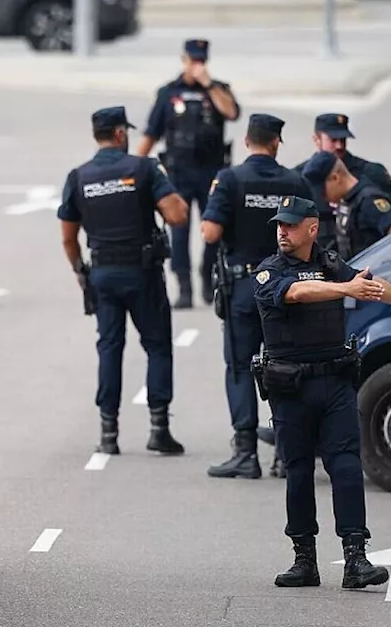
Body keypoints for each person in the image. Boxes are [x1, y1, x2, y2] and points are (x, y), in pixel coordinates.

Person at [251, 196, 391, 589]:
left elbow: (367, 285)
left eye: (289, 225)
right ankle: (305, 559)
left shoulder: (330, 263)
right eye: (279, 225)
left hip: (335, 383)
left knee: (346, 467)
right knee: (300, 472)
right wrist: (344, 288)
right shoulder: (269, 272)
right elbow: (297, 295)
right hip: (291, 388)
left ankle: (356, 558)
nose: (282, 231)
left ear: (312, 228)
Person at [58, 106, 190, 456]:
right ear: (119, 133)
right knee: (158, 346)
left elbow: (69, 238)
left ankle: (108, 433)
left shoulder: (78, 176)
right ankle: (159, 428)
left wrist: (80, 271)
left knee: (109, 348)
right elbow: (177, 216)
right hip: (142, 273)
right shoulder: (144, 169)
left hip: (102, 274)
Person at [201, 113, 312, 480]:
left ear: (247, 141)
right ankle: (285, 452)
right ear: (276, 142)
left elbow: (211, 233)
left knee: (239, 367)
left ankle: (246, 452)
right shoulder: (295, 181)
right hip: (287, 286)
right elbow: (312, 232)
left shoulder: (230, 179)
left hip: (245, 287)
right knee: (285, 365)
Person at [136, 38, 241, 309]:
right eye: (193, 60)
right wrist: (134, 166)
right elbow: (151, 132)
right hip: (178, 173)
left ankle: (207, 277)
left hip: (211, 172)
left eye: (201, 61)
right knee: (179, 231)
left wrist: (209, 84)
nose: (197, 66)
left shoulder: (219, 91)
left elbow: (231, 112)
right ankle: (184, 287)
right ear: (184, 60)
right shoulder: (168, 93)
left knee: (213, 229)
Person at [293, 114, 391, 250]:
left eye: (343, 139)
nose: (339, 145)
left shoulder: (371, 173)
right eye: (333, 139)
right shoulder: (301, 177)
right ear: (316, 139)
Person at [303, 151, 391, 260]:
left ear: (335, 178)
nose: (322, 197)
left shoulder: (368, 200)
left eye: (322, 191)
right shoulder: (346, 201)